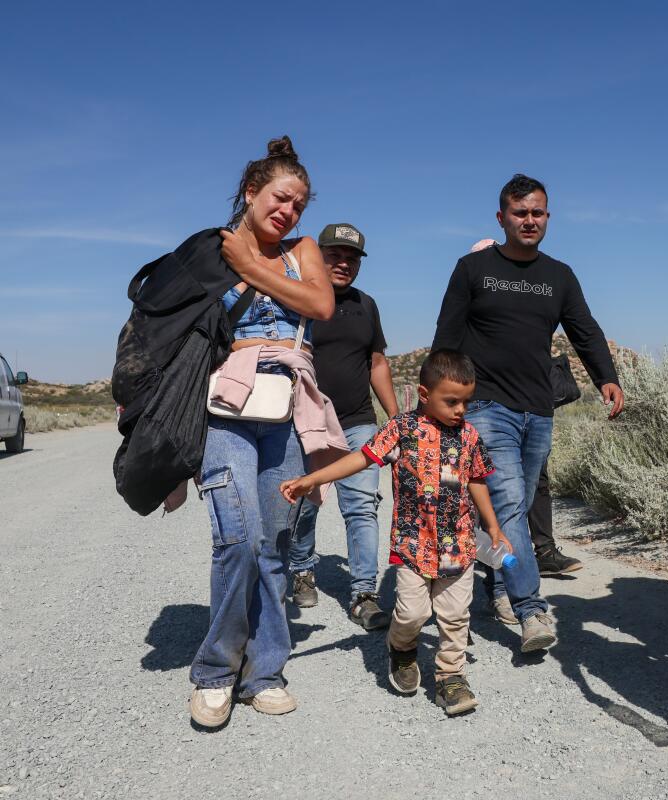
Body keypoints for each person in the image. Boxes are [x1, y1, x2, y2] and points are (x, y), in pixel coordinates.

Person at [432, 174, 624, 651]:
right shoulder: (473, 268)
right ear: (502, 218)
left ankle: (497, 583)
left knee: (504, 507)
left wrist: (607, 376)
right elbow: (447, 335)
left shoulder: (559, 275)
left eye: (537, 212)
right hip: (485, 405)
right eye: (520, 213)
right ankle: (531, 610)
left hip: (538, 410)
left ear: (548, 217)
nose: (529, 220)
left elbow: (585, 329)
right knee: (513, 504)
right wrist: (436, 402)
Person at [189, 136, 341, 728]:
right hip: (226, 407)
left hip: (288, 410)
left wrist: (254, 270)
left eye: (300, 204)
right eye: (282, 198)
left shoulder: (303, 249)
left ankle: (266, 671)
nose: (291, 211)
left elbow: (321, 306)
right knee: (240, 539)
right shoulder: (214, 249)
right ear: (251, 193)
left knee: (277, 544)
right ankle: (215, 671)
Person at [281, 350, 509, 716]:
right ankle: (402, 649)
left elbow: (478, 479)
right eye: (451, 401)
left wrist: (493, 526)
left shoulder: (468, 435)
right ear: (424, 393)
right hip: (413, 545)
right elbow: (361, 458)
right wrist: (313, 478)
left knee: (454, 617)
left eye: (466, 401)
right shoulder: (401, 429)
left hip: (459, 547)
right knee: (412, 614)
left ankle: (451, 677)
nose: (460, 410)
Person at [288, 222, 399, 630]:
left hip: (357, 422)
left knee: (362, 507)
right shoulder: (297, 298)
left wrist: (395, 419)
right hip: (305, 420)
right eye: (334, 255)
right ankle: (301, 568)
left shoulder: (365, 305)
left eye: (351, 258)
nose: (343, 263)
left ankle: (364, 595)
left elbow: (377, 363)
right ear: (317, 256)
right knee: (303, 501)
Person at [466, 238, 583, 577]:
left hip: (533, 405)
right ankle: (506, 577)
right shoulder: (476, 303)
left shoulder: (527, 289)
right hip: (487, 408)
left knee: (535, 480)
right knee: (498, 488)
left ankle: (541, 550)